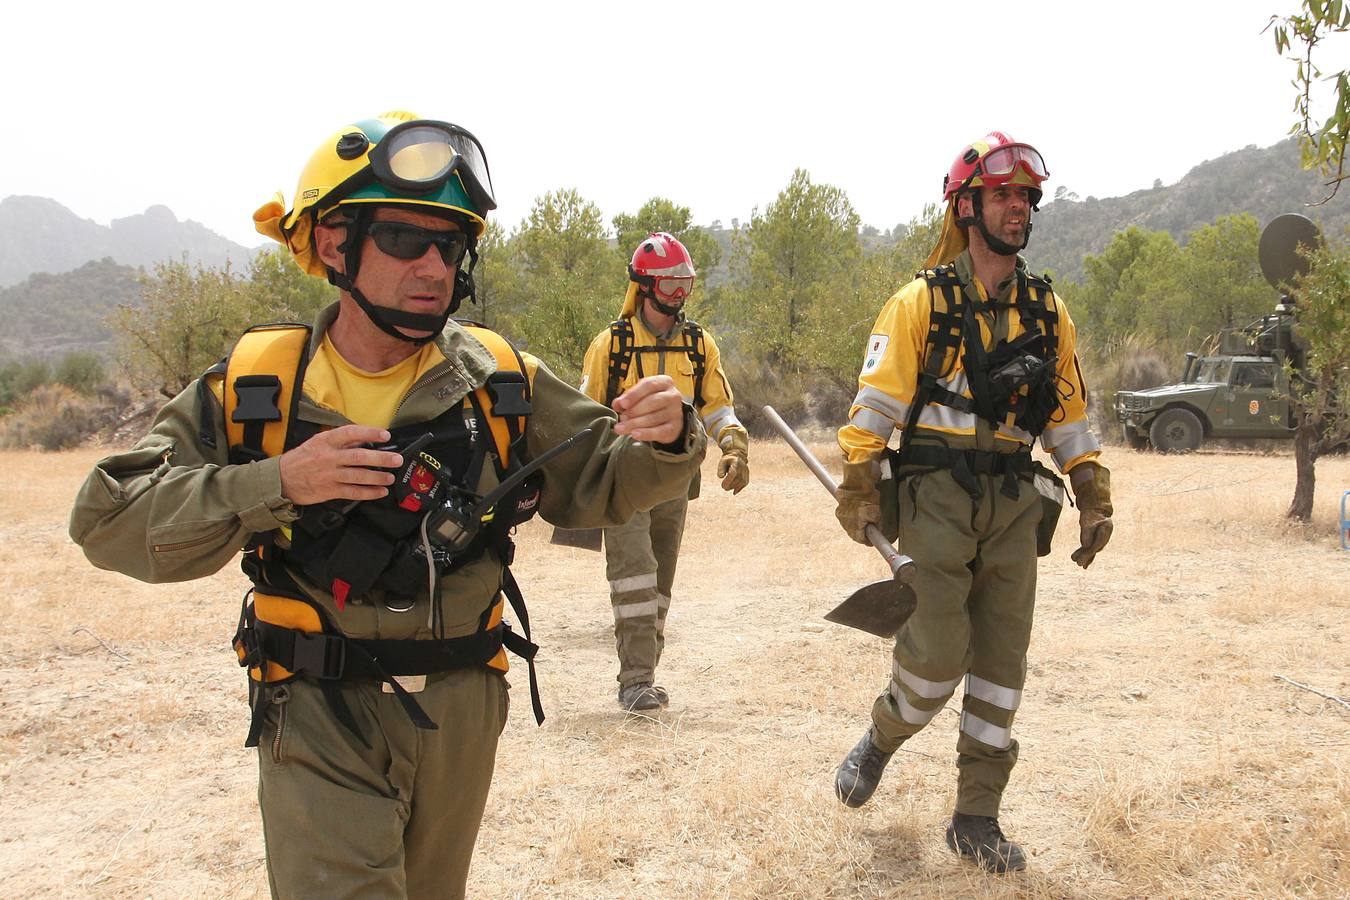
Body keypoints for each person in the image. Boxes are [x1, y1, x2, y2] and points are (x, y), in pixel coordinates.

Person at [68, 111, 705, 899]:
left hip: (463, 708)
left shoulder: (502, 379)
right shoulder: (258, 387)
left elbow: (605, 481)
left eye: (451, 244)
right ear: (335, 243)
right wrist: (277, 483)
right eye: (407, 240)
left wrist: (673, 437)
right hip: (316, 706)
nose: (435, 266)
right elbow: (106, 518)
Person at [831, 132, 1113, 873]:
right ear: (966, 207)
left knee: (1000, 669)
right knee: (933, 664)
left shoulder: (1049, 309)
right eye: (1002, 195)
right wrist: (859, 484)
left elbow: (1069, 415)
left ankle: (976, 820)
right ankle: (883, 738)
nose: (1018, 208)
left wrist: (1090, 488)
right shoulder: (918, 303)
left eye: (1026, 196)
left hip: (1017, 507)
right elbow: (876, 404)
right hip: (935, 503)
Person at [577, 232, 749, 711]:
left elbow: (719, 409)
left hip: (674, 480)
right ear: (646, 286)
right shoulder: (610, 345)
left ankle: (645, 673)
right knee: (636, 574)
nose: (679, 296)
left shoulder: (699, 346)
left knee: (661, 583)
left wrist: (735, 448)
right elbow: (585, 414)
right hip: (623, 480)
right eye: (670, 285)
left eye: (685, 285)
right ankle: (634, 681)